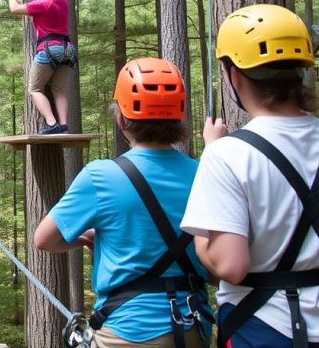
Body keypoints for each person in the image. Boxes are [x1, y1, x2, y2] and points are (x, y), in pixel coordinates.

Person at [180, 4, 319, 348]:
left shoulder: (226, 154)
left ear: (232, 75)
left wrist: (201, 238)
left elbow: (230, 266)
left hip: (263, 328)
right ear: (301, 71)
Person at [35, 57, 211, 348]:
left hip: (127, 332)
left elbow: (44, 240)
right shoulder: (204, 172)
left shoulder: (100, 176)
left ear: (121, 117)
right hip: (194, 327)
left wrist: (83, 239)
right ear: (178, 116)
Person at [5, 0, 75, 134]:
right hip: (68, 50)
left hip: (50, 49)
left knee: (35, 88)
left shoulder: (43, 4)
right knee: (57, 88)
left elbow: (14, 8)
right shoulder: (62, 1)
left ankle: (51, 123)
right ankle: (63, 124)